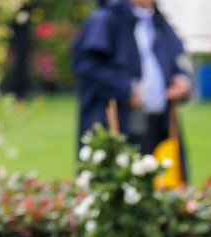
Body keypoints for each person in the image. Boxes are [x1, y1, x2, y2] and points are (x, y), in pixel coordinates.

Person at [72, 0, 191, 178]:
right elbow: (87, 66)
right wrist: (127, 89)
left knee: (160, 182)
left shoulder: (157, 21)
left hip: (158, 123)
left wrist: (182, 81)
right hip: (117, 122)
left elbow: (172, 62)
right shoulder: (106, 19)